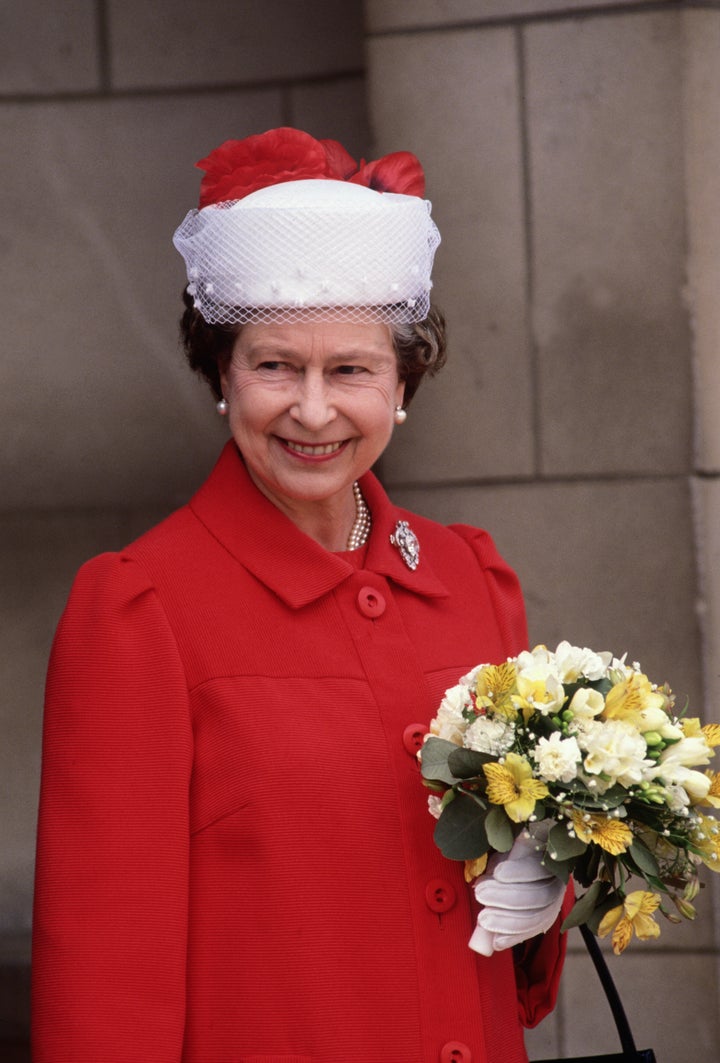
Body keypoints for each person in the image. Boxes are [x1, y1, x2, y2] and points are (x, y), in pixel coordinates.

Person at [32, 127, 570, 1063]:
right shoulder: (140, 608)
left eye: (351, 370)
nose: (313, 411)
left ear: (404, 381)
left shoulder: (470, 578)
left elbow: (513, 971)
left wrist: (551, 874)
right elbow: (105, 986)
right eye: (275, 365)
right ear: (221, 375)